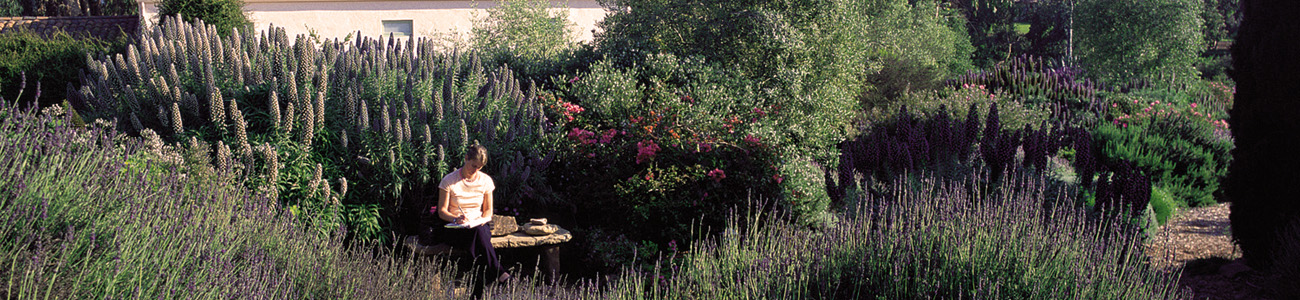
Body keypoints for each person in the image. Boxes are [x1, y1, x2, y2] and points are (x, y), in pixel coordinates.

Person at [431, 144, 511, 284]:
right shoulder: (449, 180)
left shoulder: (485, 181)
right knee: (478, 236)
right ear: (466, 158)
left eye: (479, 167)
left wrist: (481, 220)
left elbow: (488, 211)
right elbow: (442, 211)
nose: (476, 170)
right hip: (455, 228)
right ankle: (500, 274)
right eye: (473, 165)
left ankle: (480, 286)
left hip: (478, 224)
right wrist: (456, 218)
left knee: (478, 232)